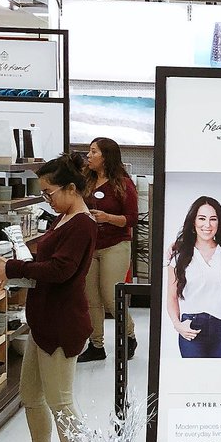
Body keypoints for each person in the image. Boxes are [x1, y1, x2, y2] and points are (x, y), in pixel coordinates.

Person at [0, 154, 97, 442]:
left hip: (63, 323)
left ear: (70, 188)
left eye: (49, 192)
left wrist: (16, 269)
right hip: (44, 320)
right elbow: (48, 264)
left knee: (61, 401)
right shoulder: (64, 217)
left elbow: (60, 270)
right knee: (31, 396)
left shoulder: (82, 224)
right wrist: (18, 266)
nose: (46, 199)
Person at [79, 137, 139, 363]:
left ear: (106, 157)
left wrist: (107, 218)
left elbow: (132, 219)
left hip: (115, 245)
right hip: (90, 246)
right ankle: (96, 345)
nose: (89, 155)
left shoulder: (123, 183)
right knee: (91, 298)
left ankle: (130, 336)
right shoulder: (86, 180)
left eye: (93, 152)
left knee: (111, 296)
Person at [166, 195, 221, 357]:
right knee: (194, 380)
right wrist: (177, 325)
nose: (207, 224)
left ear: (219, 223)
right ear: (193, 222)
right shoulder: (180, 256)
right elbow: (171, 297)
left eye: (213, 219)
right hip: (191, 327)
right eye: (202, 218)